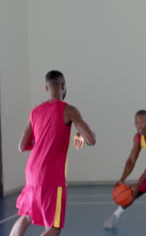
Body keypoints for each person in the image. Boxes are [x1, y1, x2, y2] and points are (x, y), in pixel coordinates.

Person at [10, 70, 96, 236]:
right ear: (63, 86)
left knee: (26, 216)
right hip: (50, 176)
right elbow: (91, 140)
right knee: (53, 227)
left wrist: (42, 140)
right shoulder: (69, 110)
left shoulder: (35, 112)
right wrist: (87, 133)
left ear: (46, 88)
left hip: (31, 173)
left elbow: (21, 146)